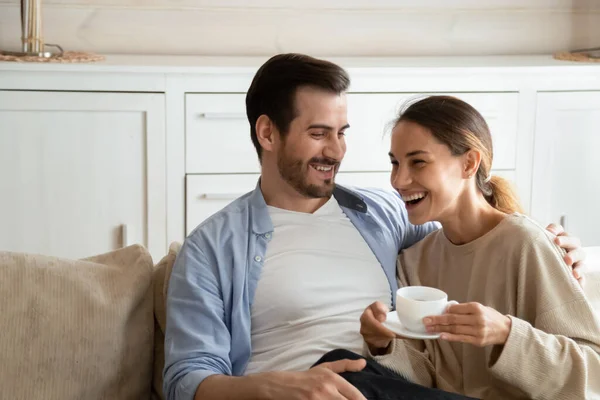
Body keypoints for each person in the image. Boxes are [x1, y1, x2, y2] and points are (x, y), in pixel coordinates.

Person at [163, 54, 586, 400]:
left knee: (355, 369)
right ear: (268, 132)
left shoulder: (385, 214)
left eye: (341, 133)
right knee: (344, 363)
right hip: (305, 388)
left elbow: (468, 226)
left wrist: (552, 244)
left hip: (381, 387)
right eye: (318, 133)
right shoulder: (211, 247)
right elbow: (185, 380)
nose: (336, 150)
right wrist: (276, 386)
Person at [359, 95, 600, 399]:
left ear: (469, 163)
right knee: (341, 368)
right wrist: (383, 345)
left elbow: (593, 371)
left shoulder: (526, 243)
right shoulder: (414, 260)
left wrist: (505, 334)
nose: (399, 179)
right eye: (395, 163)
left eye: (417, 162)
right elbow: (424, 377)